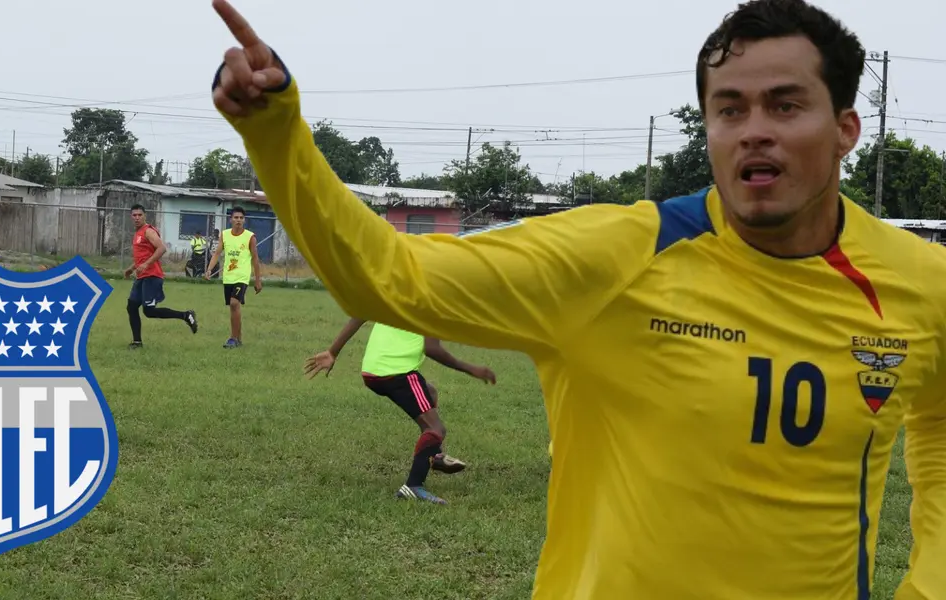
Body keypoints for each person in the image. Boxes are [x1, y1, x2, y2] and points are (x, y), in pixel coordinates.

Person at [209, 0, 946, 598]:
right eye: (729, 110)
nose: (754, 132)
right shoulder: (615, 256)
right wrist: (277, 134)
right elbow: (388, 278)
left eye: (786, 107)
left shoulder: (922, 283)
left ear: (847, 128)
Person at [305, 318, 496, 505]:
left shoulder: (396, 293)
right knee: (436, 430)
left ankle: (434, 456)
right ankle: (413, 487)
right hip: (396, 372)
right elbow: (432, 349)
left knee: (429, 391)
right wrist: (471, 368)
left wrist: (333, 352)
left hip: (372, 371)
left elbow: (360, 314)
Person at [124, 204, 198, 348]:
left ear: (145, 216)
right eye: (134, 215)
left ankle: (186, 315)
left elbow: (162, 248)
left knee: (149, 311)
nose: (137, 218)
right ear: (131, 217)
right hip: (142, 277)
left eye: (140, 215)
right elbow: (142, 257)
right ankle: (137, 342)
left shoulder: (148, 231)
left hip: (152, 276)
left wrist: (146, 265)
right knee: (132, 307)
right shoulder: (137, 233)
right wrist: (131, 268)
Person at [204, 206, 262, 348]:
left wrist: (258, 280)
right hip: (228, 277)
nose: (238, 220)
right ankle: (239, 339)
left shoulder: (250, 237)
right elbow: (217, 253)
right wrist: (209, 269)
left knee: (234, 303)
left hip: (242, 277)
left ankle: (233, 338)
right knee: (234, 308)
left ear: (244, 220)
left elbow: (255, 259)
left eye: (241, 218)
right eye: (236, 218)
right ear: (231, 220)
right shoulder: (225, 234)